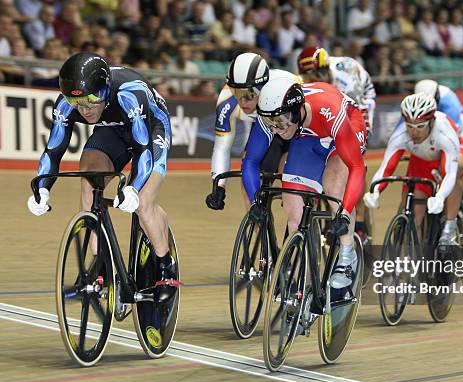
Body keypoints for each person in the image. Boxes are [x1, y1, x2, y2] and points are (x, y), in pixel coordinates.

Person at [26, 52, 177, 302]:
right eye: (79, 103)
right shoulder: (67, 103)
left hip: (150, 129)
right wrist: (42, 189)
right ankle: (100, 265)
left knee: (143, 202)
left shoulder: (129, 94)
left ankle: (165, 265)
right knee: (88, 183)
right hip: (112, 132)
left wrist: (134, 188)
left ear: (105, 90)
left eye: (92, 100)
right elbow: (53, 151)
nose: (85, 110)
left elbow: (142, 150)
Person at [244, 77, 367, 289]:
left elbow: (356, 167)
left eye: (281, 121)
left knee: (333, 185)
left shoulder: (329, 111)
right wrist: (256, 202)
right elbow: (251, 161)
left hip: (345, 124)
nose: (277, 129)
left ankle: (348, 255)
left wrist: (344, 214)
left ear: (298, 110)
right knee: (294, 214)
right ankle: (304, 285)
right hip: (307, 134)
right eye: (272, 123)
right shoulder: (272, 116)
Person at [364, 93, 463, 246]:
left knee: (455, 172)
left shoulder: (444, 134)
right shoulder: (400, 134)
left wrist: (440, 197)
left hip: (446, 158)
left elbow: (449, 174)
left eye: (420, 126)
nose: (414, 132)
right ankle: (416, 259)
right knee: (415, 215)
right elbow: (386, 167)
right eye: (410, 126)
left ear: (432, 122)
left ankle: (450, 227)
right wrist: (375, 191)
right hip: (420, 162)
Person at [296, 46, 376, 243]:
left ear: (326, 71)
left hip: (360, 100)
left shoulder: (345, 80)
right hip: (329, 103)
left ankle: (360, 222)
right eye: (309, 78)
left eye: (319, 75)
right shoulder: (304, 82)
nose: (315, 80)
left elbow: (355, 115)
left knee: (353, 156)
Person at [205, 52, 299, 210]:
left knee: (292, 182)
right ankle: (259, 230)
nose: (242, 102)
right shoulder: (226, 102)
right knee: (249, 187)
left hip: (295, 127)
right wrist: (219, 186)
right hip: (266, 131)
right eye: (237, 93)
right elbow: (222, 148)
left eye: (249, 95)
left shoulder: (287, 86)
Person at [414, 79, 463, 147]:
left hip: (459, 122)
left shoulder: (449, 102)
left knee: (461, 143)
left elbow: (452, 129)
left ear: (436, 95)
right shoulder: (414, 101)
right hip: (437, 116)